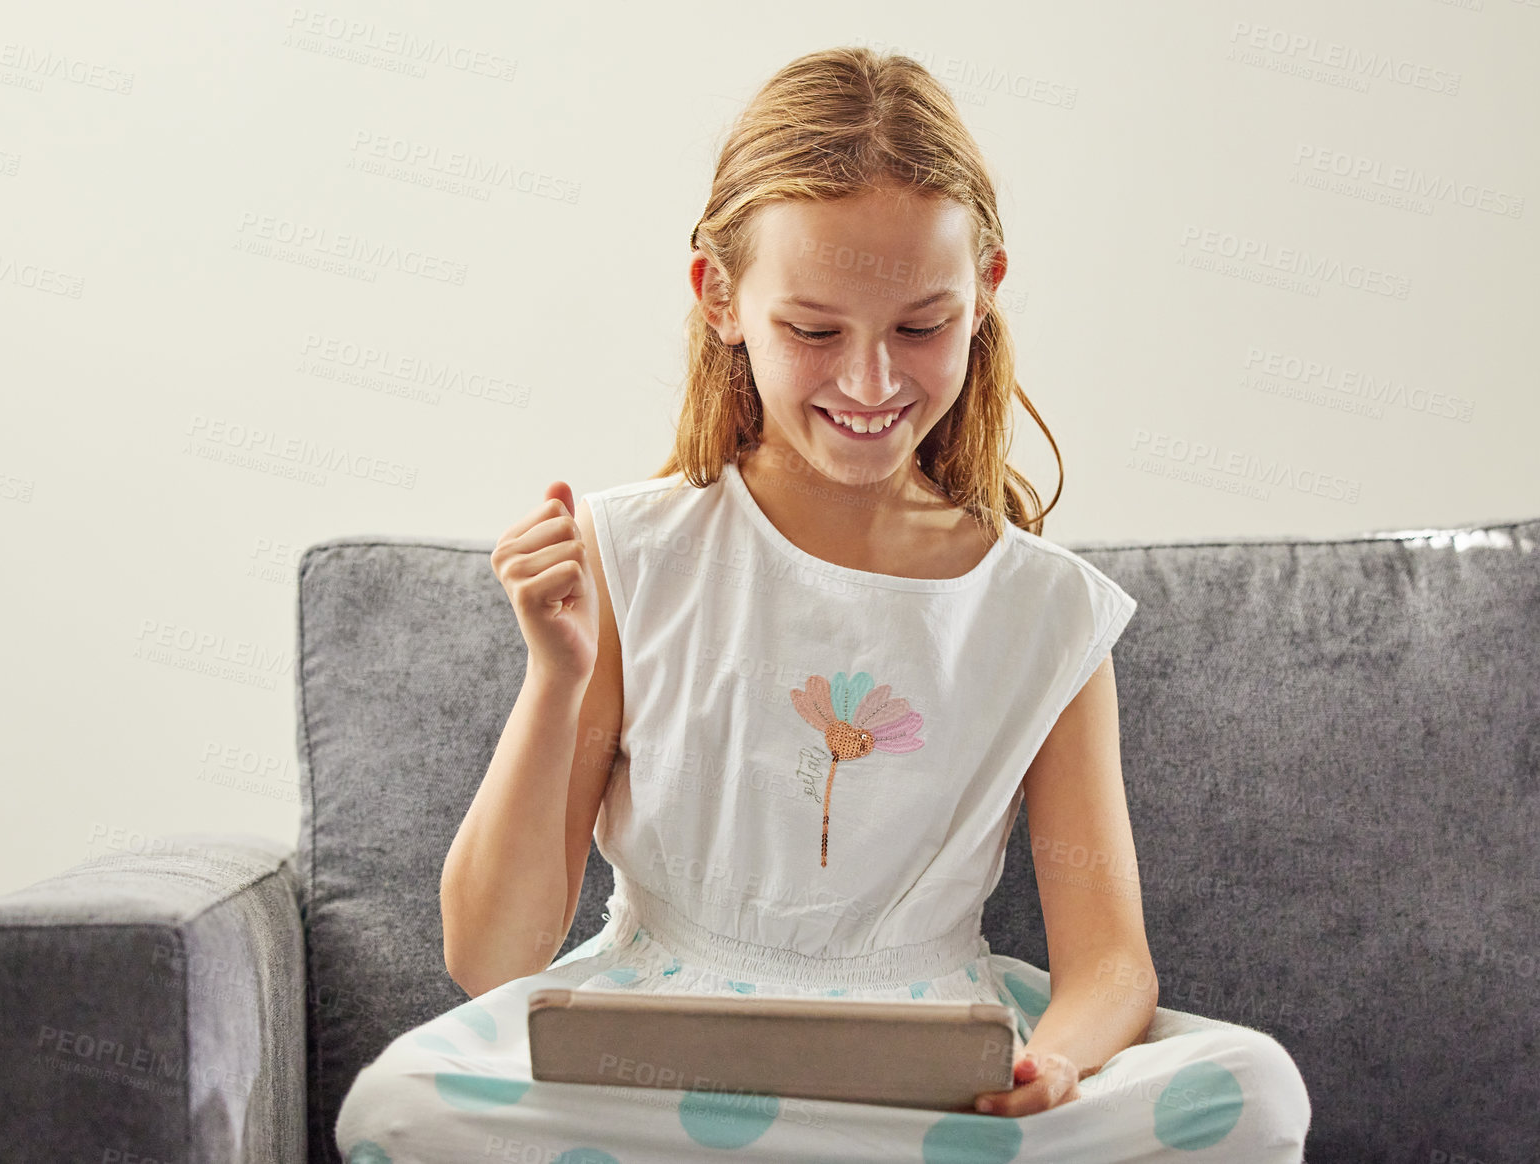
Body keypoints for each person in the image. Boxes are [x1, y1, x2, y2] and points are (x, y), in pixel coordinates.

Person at [334, 45, 1312, 1164]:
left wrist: (1056, 1064)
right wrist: (557, 679)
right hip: (658, 1056)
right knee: (398, 1107)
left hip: (928, 1070)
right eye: (813, 330)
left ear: (986, 290)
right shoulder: (632, 554)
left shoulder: (1044, 612)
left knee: (1255, 1090)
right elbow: (493, 958)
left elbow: (1110, 967)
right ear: (719, 298)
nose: (869, 383)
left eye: (919, 326)